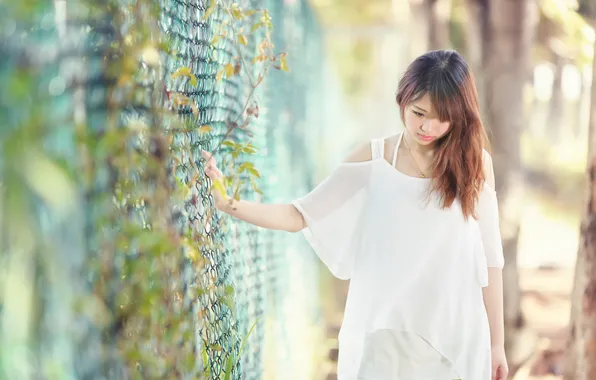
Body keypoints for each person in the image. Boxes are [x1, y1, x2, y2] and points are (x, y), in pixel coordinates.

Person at [202, 49, 508, 380]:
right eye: (419, 112)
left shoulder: (475, 165)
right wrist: (228, 203)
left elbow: (491, 260)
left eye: (442, 117)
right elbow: (299, 215)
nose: (428, 126)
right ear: (402, 99)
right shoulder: (374, 159)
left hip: (455, 340)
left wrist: (497, 344)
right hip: (384, 339)